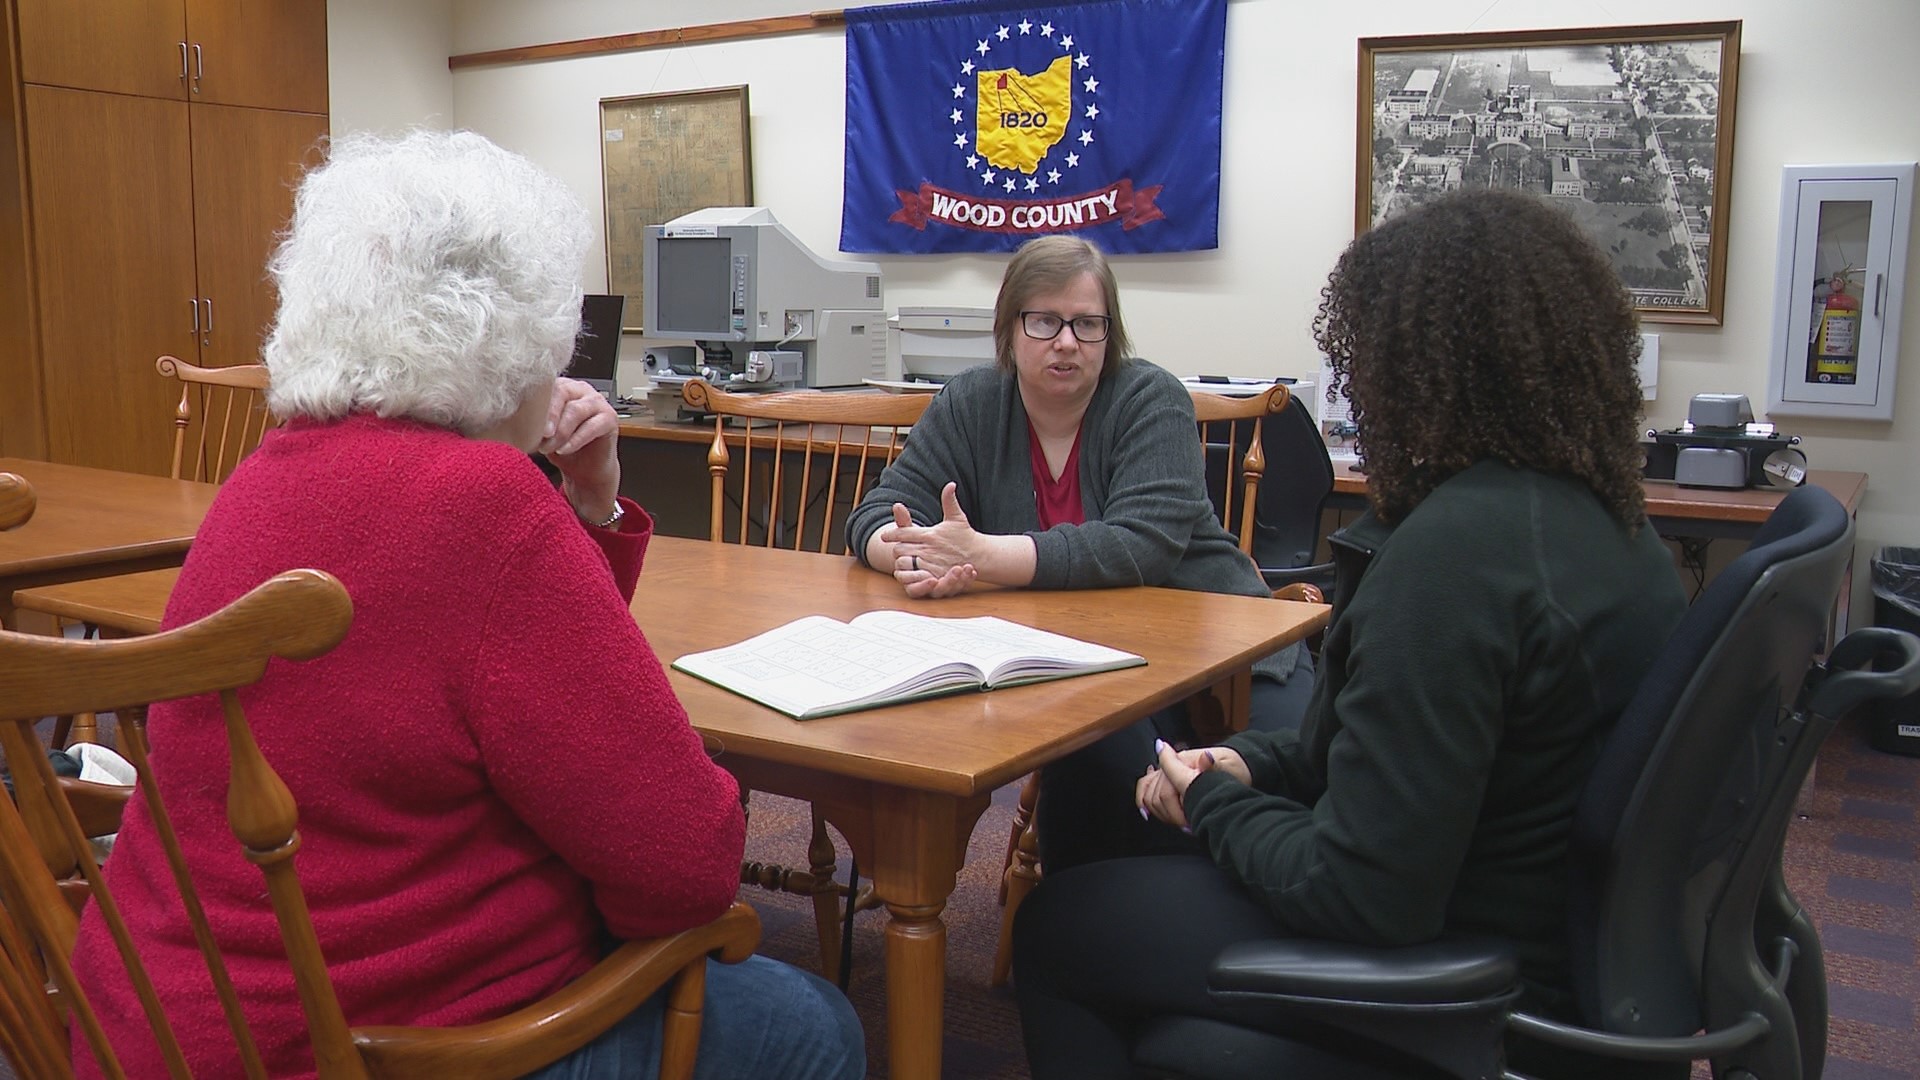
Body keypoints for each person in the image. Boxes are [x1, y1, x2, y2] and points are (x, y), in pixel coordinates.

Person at [70, 130, 863, 1080]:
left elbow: (493, 680)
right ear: (519, 332)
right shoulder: (481, 507)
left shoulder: (264, 477)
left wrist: (589, 507)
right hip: (355, 1050)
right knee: (808, 1021)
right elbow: (682, 872)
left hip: (163, 1030)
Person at [1011, 188, 1690, 1079]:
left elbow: (1363, 893)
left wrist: (1216, 805)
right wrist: (1253, 765)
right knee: (1121, 844)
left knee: (1059, 927)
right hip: (1565, 947)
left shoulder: (1453, 561)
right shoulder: (1604, 522)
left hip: (1463, 976)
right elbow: (1396, 752)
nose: (1358, 390)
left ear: (1419, 369)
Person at [845, 234, 1311, 874]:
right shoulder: (974, 401)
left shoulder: (1150, 398)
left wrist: (980, 556)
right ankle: (1103, 935)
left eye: (1087, 324)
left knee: (1304, 776)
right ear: (1010, 329)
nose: (1066, 341)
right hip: (1093, 672)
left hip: (1230, 650)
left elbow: (1139, 545)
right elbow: (875, 510)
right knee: (1098, 769)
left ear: (1108, 335)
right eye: (1044, 321)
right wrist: (906, 552)